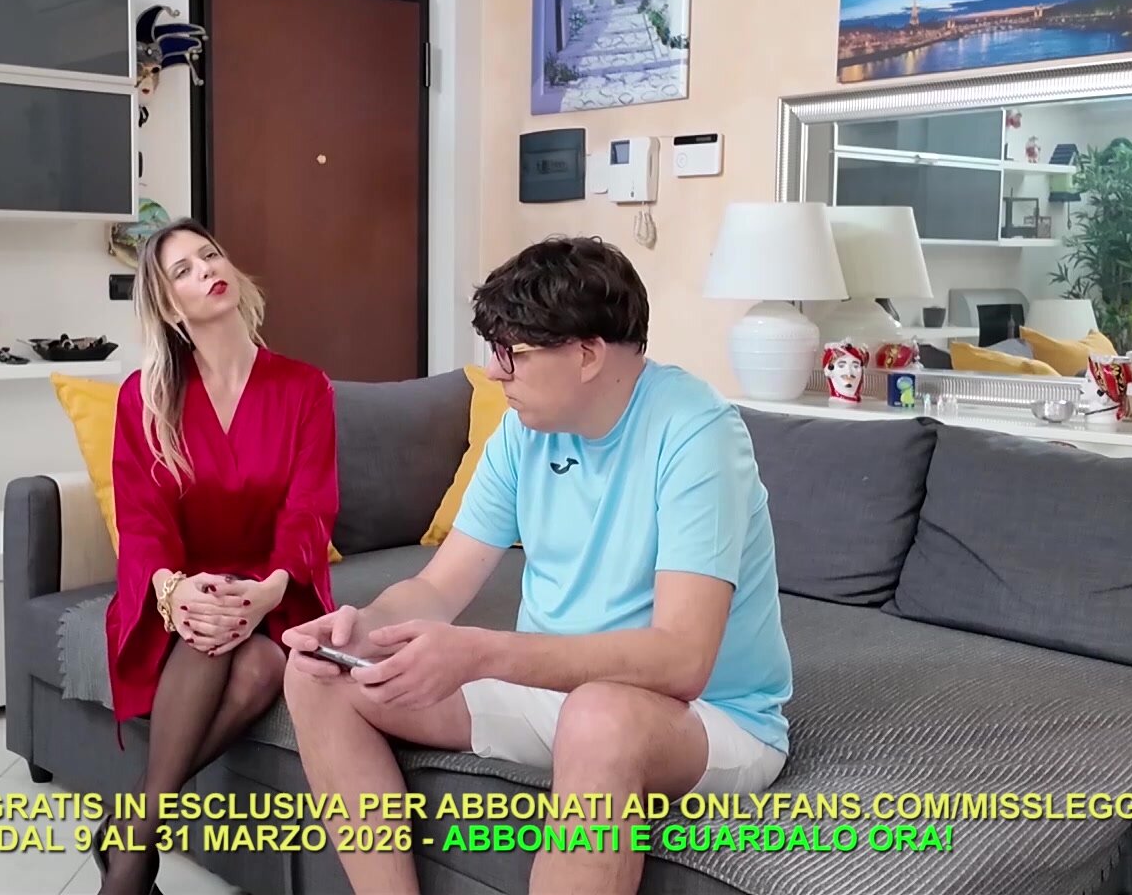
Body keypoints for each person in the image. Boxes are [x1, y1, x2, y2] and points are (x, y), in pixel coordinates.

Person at [283, 235, 792, 895]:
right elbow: (438, 586)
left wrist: (480, 653)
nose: (496, 373)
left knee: (600, 718)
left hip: (703, 717)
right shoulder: (522, 433)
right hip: (556, 694)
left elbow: (681, 660)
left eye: (512, 353)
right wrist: (361, 627)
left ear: (586, 354)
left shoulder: (697, 433)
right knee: (317, 677)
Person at [99, 218, 339, 895]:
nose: (206, 269)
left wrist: (268, 589)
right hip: (176, 594)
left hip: (275, 589)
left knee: (263, 657)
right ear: (168, 306)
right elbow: (142, 521)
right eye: (183, 270)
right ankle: (134, 855)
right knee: (221, 640)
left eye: (210, 255)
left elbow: (310, 510)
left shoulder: (305, 387)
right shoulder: (145, 398)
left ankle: (131, 832)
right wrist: (175, 591)